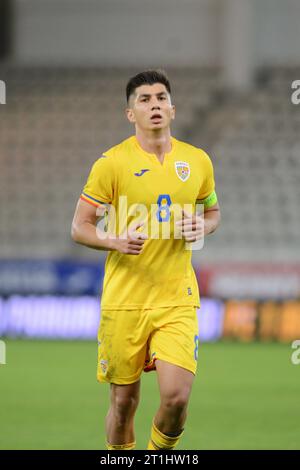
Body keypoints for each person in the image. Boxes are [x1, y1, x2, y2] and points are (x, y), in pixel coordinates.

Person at [71, 69, 220, 450]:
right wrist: (113, 239)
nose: (154, 105)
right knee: (124, 405)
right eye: (144, 99)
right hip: (125, 301)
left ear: (173, 108)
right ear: (130, 113)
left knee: (176, 397)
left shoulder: (197, 161)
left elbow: (213, 214)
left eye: (160, 98)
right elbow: (80, 227)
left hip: (176, 296)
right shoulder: (111, 164)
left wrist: (201, 227)